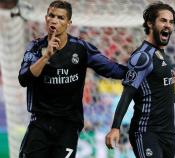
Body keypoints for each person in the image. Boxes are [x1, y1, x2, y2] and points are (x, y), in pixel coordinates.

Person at [18, 1, 127, 158]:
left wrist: (140, 72)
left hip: (68, 125)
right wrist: (46, 56)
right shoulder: (35, 48)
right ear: (46, 18)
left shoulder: (81, 48)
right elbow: (24, 79)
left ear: (69, 23)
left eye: (61, 18)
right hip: (40, 123)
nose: (55, 20)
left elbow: (112, 69)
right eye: (51, 16)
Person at [105, 2, 175, 158]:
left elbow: (155, 93)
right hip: (147, 131)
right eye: (163, 20)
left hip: (168, 133)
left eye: (171, 22)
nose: (168, 25)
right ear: (150, 23)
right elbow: (128, 93)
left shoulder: (163, 55)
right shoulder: (142, 56)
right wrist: (115, 127)